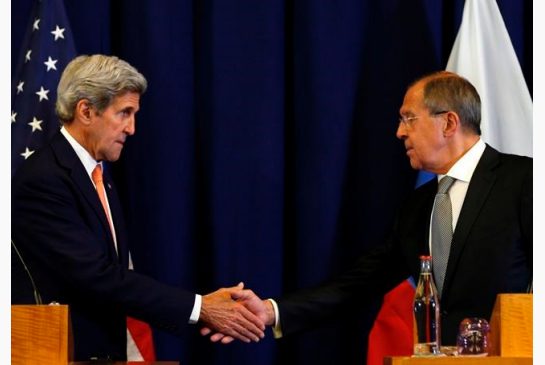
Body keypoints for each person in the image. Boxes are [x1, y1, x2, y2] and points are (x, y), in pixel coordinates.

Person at [202, 71, 533, 346]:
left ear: (448, 123)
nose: (400, 132)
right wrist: (272, 312)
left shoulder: (525, 181)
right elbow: (360, 284)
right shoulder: (419, 205)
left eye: (408, 119)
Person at [11, 54, 265, 361]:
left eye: (134, 113)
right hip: (59, 353)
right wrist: (201, 308)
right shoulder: (44, 179)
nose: (131, 128)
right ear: (86, 110)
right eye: (124, 113)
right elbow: (96, 277)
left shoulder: (99, 176)